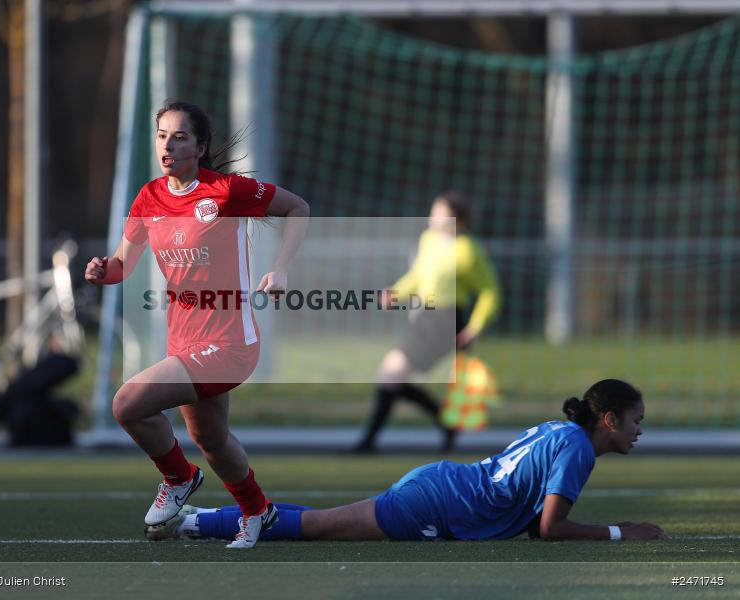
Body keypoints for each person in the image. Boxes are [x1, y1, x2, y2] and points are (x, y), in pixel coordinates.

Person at [85, 101, 309, 549]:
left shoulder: (227, 190)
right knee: (210, 437)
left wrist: (282, 268)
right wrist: (101, 270)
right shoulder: (149, 196)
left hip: (230, 343)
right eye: (162, 134)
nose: (168, 144)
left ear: (201, 146)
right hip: (184, 337)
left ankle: (179, 477)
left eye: (180, 136)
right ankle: (257, 511)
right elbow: (122, 267)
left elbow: (298, 208)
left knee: (127, 403)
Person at [149, 379, 668, 542]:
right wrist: (622, 532)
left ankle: (201, 520)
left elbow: (535, 521)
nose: (640, 430)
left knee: (322, 521)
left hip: (442, 487)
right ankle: (199, 523)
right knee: (319, 527)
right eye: (636, 420)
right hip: (437, 504)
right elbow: (551, 529)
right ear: (610, 420)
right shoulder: (578, 449)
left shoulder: (564, 434)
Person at [355, 192, 501, 453]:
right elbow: (419, 275)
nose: (432, 217)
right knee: (391, 376)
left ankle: (369, 443)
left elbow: (490, 291)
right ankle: (445, 422)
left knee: (391, 372)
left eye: (439, 212)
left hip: (444, 319)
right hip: (425, 316)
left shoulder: (468, 251)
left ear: (457, 219)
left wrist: (476, 326)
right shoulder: (429, 240)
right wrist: (396, 293)